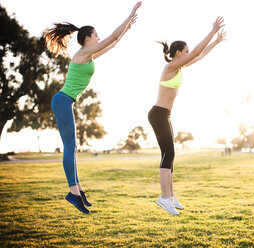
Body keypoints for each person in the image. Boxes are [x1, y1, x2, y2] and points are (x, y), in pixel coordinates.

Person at [44, 2, 142, 213]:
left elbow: (113, 43)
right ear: (87, 38)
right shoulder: (82, 55)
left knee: (73, 147)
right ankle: (73, 193)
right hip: (62, 101)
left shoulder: (88, 54)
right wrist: (130, 15)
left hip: (65, 102)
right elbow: (112, 38)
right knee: (70, 148)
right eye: (96, 35)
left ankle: (78, 191)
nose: (99, 37)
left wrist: (128, 28)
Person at [148, 17, 226, 216]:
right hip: (158, 114)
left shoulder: (178, 67)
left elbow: (198, 56)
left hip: (164, 115)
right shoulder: (170, 68)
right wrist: (211, 31)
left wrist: (216, 42)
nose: (189, 53)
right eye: (186, 51)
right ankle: (164, 197)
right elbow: (197, 52)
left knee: (170, 155)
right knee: (168, 155)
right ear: (177, 53)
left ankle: (171, 196)